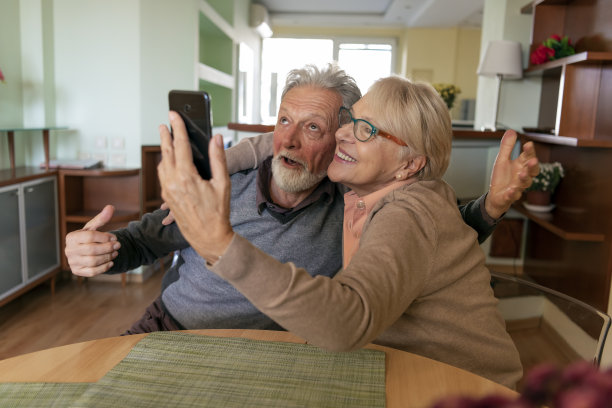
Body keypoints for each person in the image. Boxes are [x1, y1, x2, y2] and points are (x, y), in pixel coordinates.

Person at [65, 64, 537, 336]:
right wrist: (100, 250)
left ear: (342, 138)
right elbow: (141, 242)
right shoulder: (225, 182)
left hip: (278, 348)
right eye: (283, 121)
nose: (288, 141)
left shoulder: (357, 203)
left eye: (312, 127)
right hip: (174, 329)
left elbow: (432, 240)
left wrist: (491, 206)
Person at [156, 76, 524, 388]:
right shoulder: (380, 193)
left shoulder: (407, 214)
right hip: (408, 371)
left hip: (462, 388)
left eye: (365, 130)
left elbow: (349, 321)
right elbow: (285, 138)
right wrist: (223, 158)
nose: (342, 134)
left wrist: (221, 245)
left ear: (409, 164)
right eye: (350, 120)